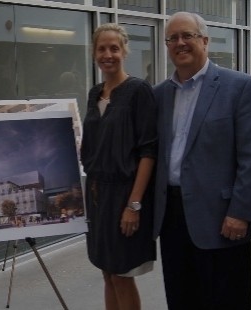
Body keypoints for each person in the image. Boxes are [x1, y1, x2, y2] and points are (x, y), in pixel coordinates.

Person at [153, 12, 251, 310]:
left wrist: (241, 211)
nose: (180, 43)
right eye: (173, 38)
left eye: (188, 36)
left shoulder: (241, 87)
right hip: (172, 218)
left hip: (222, 218)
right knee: (181, 297)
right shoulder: (159, 95)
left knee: (226, 299)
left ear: (205, 41)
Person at [80, 23, 157, 310]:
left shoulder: (138, 91)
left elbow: (149, 152)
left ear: (124, 51)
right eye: (102, 48)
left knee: (123, 275)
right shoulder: (94, 93)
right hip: (96, 194)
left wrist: (133, 205)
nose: (108, 54)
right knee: (107, 271)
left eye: (114, 48)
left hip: (125, 193)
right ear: (94, 53)